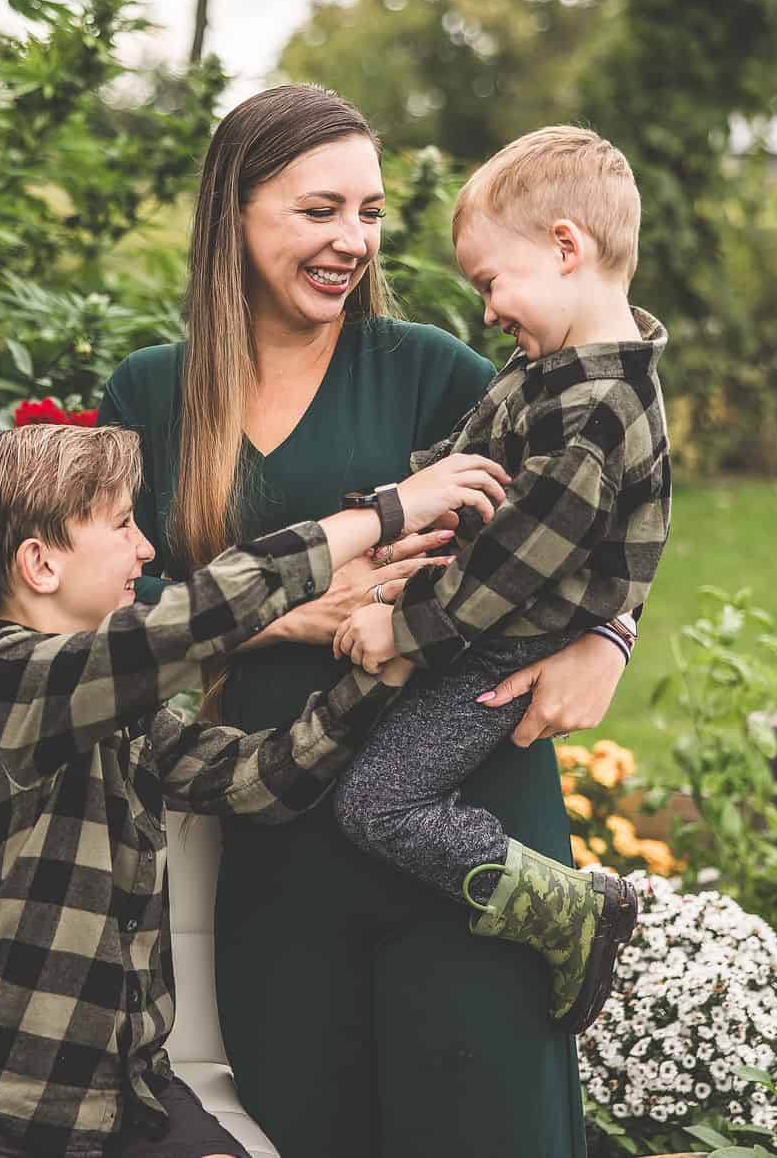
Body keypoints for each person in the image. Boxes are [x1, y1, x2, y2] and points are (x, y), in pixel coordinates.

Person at [96, 85, 636, 1157]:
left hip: (464, 834)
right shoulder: (152, 397)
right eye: (317, 211)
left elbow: (605, 473)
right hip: (278, 845)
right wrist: (288, 621)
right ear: (233, 215)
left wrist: (605, 637)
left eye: (369, 213)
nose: (350, 240)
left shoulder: (434, 371)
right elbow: (99, 616)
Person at [0, 423, 505, 1158]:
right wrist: (382, 514)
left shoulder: (123, 714)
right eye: (122, 525)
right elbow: (182, 626)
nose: (145, 549)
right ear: (40, 563)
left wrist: (383, 665)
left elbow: (261, 781)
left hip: (131, 1095)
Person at [329, 124, 671, 1036]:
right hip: (486, 615)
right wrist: (396, 505)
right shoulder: (552, 369)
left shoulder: (597, 412)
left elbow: (510, 572)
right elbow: (472, 453)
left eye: (490, 282)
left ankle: (574, 911)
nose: (485, 312)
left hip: (509, 639)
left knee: (381, 803)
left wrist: (400, 632)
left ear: (567, 247)